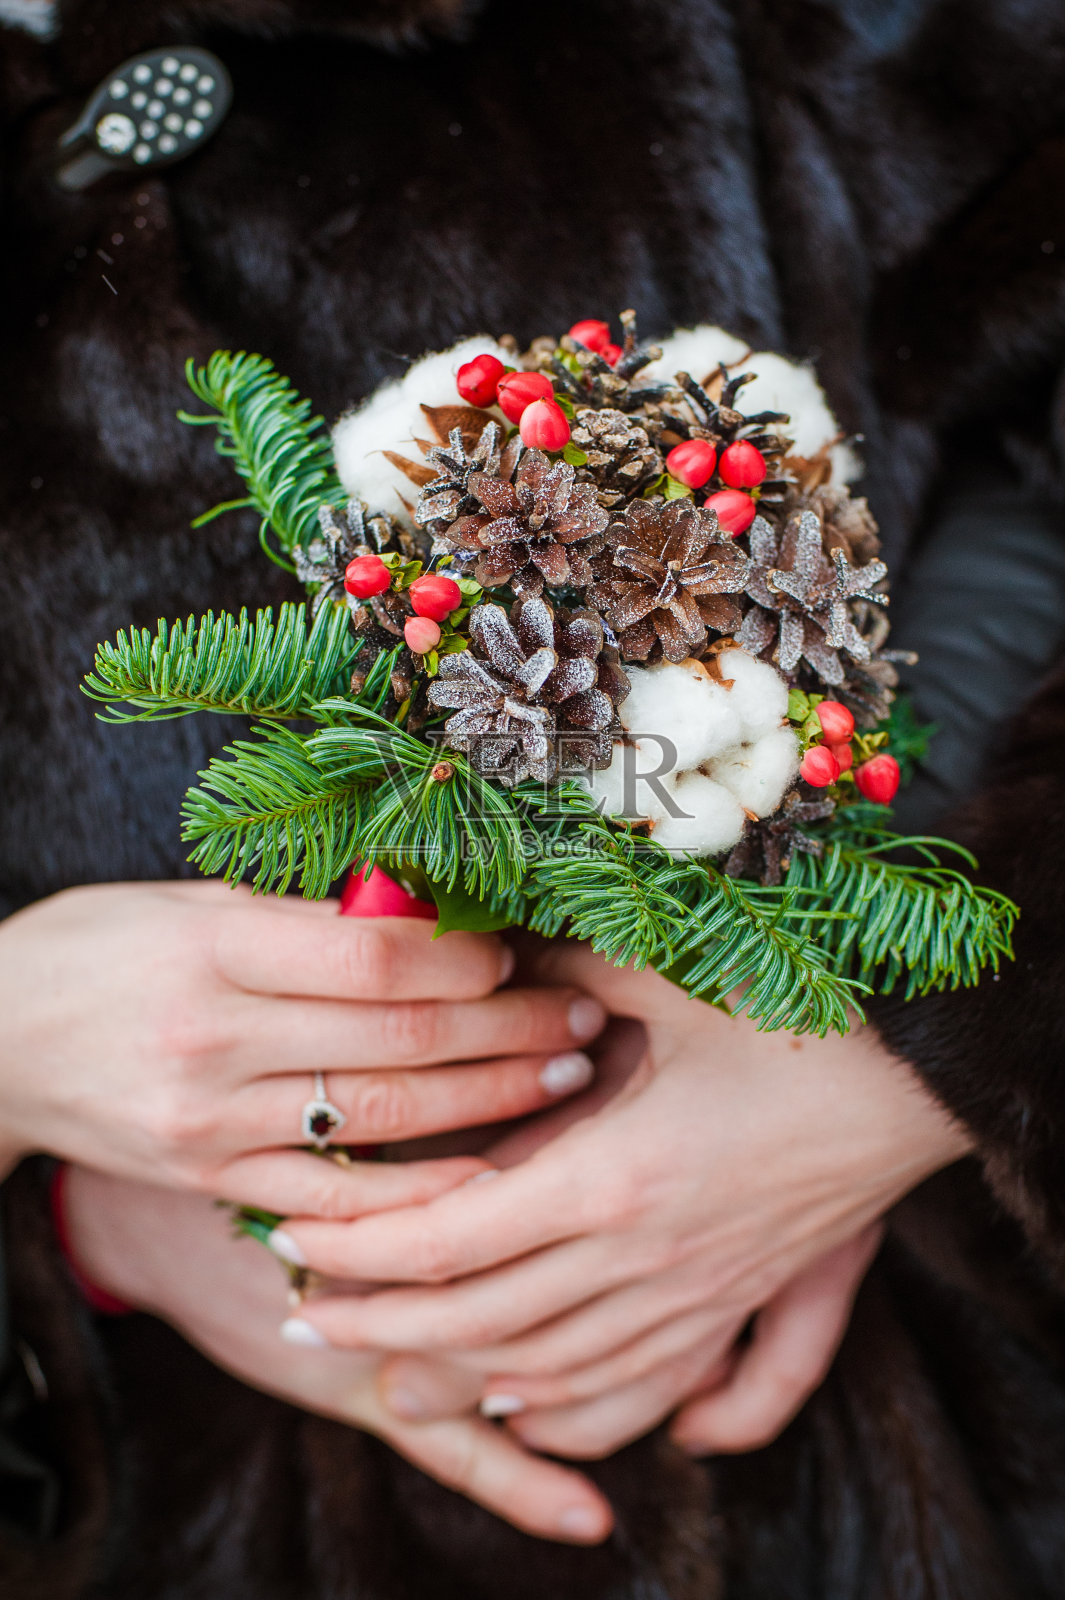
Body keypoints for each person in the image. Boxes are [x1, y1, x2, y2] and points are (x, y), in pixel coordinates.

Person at [3, 1, 1065, 1596]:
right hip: (174, 1498)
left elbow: (1027, 428)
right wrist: (46, 1176)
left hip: (924, 1444)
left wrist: (914, 1040)